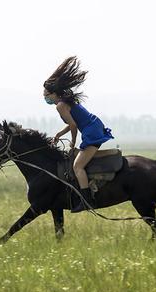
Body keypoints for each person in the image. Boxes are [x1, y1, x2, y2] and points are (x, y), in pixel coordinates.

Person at [43, 56, 114, 213]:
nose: (45, 97)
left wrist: (73, 143)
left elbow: (74, 125)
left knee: (77, 166)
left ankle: (86, 201)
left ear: (54, 93)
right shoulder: (64, 102)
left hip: (91, 131)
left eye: (46, 94)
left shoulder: (60, 106)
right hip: (93, 126)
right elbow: (72, 123)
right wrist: (59, 134)